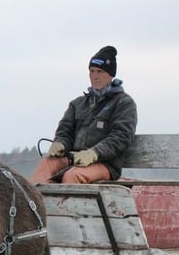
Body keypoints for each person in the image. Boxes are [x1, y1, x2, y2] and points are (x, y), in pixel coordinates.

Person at [29, 45, 138, 184]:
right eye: (92, 71)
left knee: (72, 176)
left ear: (110, 75)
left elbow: (121, 137)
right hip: (73, 160)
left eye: (100, 71)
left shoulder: (123, 103)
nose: (95, 76)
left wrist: (94, 153)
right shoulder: (78, 104)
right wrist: (61, 144)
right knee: (46, 165)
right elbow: (65, 131)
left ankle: (67, 206)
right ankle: (36, 204)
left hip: (105, 164)